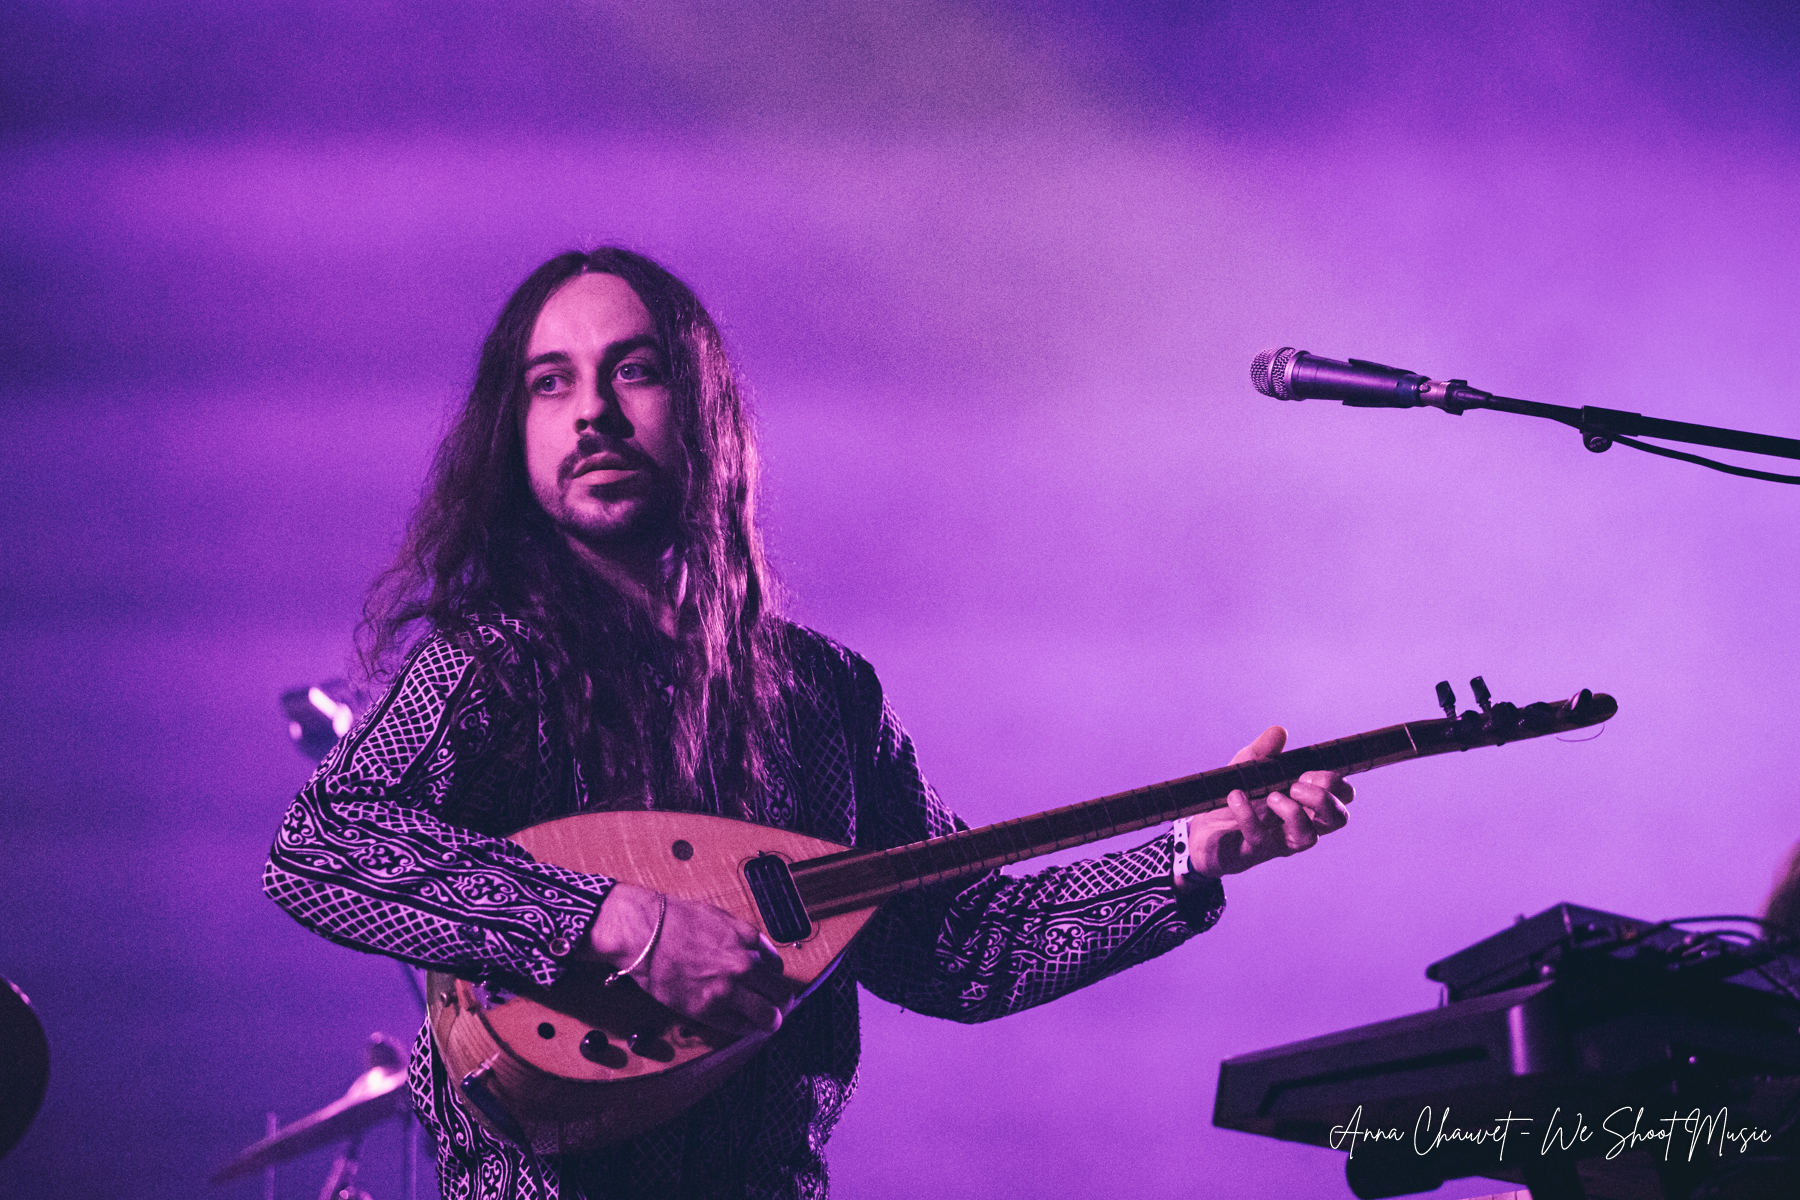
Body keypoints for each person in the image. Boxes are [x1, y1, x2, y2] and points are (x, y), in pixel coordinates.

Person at [264, 247, 1355, 1200]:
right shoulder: (490, 666)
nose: (593, 409)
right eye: (551, 384)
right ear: (516, 433)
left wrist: (1187, 858)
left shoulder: (824, 696)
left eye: (633, 369)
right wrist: (617, 922)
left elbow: (957, 947)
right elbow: (322, 845)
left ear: (704, 410)